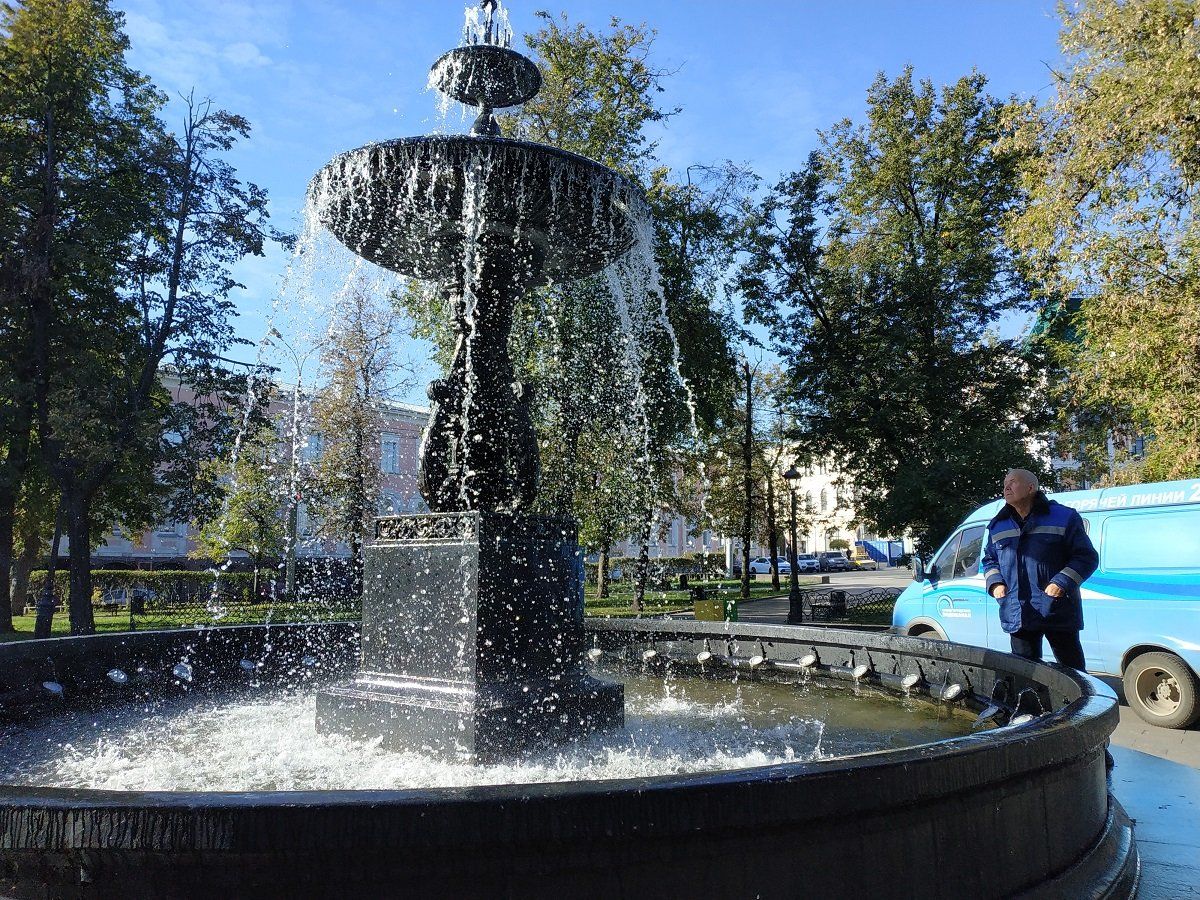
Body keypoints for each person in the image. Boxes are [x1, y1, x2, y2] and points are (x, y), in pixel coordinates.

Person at [981, 469, 1099, 670]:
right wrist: (995, 583)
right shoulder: (998, 525)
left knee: (1073, 674)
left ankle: (1076, 703)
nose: (1006, 488)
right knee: (1025, 676)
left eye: (1013, 482)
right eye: (1004, 484)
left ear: (1031, 488)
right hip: (1018, 611)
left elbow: (1086, 557)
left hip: (1057, 608)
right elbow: (990, 560)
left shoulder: (1064, 517)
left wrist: (1061, 582)